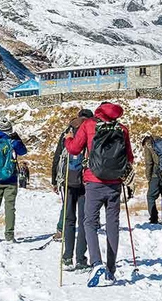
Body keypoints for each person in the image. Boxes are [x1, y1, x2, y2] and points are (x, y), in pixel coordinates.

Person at [65, 102, 134, 288]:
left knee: (89, 222)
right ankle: (111, 269)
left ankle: (96, 263)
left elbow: (74, 149)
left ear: (99, 111)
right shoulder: (122, 129)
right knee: (113, 224)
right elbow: (129, 158)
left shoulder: (89, 125)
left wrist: (68, 138)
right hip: (115, 184)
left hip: (93, 181)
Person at [51, 109, 93, 270]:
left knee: (69, 220)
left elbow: (58, 156)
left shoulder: (68, 131)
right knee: (84, 220)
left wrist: (54, 180)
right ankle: (81, 259)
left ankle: (67, 257)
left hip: (68, 181)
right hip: (86, 181)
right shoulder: (91, 131)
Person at [0, 116, 27, 243]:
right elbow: (23, 151)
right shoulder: (13, 143)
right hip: (11, 180)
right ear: (10, 129)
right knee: (10, 208)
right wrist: (16, 138)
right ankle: (9, 235)